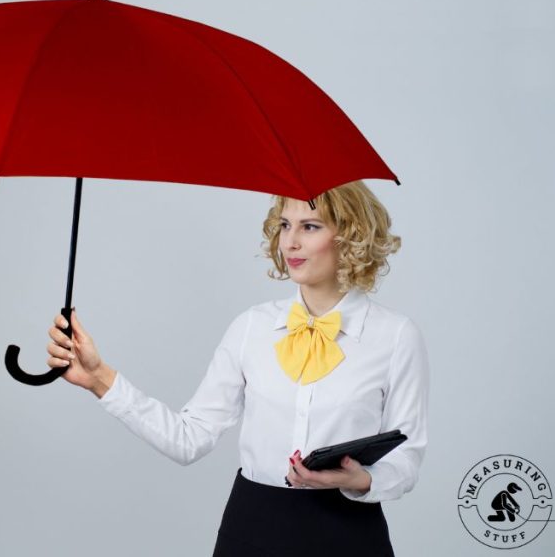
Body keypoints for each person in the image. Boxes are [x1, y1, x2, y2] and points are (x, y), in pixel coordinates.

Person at [44, 180, 429, 556]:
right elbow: (188, 439)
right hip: (252, 528)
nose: (290, 242)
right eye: (284, 225)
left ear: (351, 235)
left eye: (309, 226)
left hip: (349, 533)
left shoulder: (395, 336)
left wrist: (362, 480)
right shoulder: (251, 328)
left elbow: (405, 457)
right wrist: (100, 380)